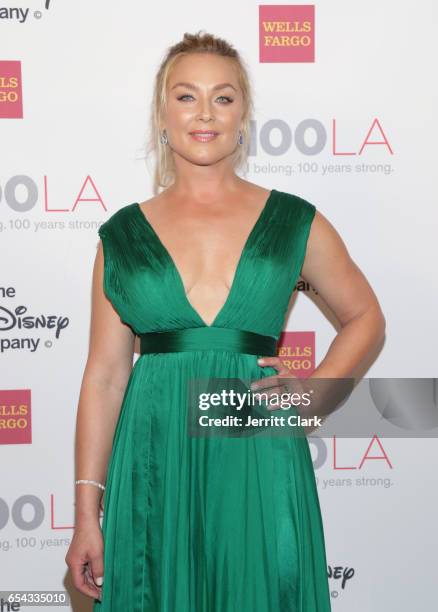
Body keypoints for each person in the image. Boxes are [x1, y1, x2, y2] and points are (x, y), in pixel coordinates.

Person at [65, 31, 386, 611]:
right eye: (186, 96)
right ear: (162, 113)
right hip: (153, 454)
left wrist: (313, 395)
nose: (205, 113)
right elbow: (105, 377)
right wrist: (88, 513)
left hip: (256, 449)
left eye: (224, 97)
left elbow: (365, 316)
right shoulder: (122, 236)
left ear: (244, 114)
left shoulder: (293, 221)